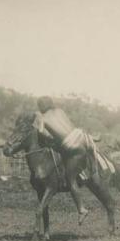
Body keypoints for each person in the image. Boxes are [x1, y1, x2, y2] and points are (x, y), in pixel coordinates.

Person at [32, 96, 99, 224]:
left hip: (71, 145)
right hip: (81, 137)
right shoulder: (60, 111)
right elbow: (71, 126)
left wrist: (48, 136)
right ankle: (86, 170)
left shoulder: (42, 117)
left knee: (70, 179)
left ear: (41, 106)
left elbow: (41, 133)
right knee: (77, 163)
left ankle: (81, 209)